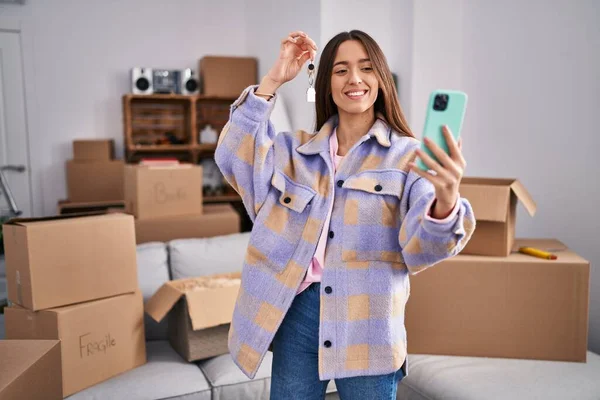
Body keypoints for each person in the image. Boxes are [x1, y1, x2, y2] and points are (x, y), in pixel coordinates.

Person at [215, 29, 476, 400]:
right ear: (327, 83)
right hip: (297, 312)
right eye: (341, 70)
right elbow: (232, 157)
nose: (354, 79)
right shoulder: (294, 152)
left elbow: (422, 250)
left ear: (381, 80)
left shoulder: (408, 157)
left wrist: (447, 197)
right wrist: (273, 79)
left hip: (369, 321)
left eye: (366, 68)